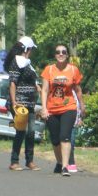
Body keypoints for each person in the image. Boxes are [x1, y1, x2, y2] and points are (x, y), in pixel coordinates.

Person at [40, 43, 85, 177]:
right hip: (52, 109)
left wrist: (82, 105)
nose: (60, 54)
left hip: (68, 107)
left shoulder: (73, 70)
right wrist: (43, 108)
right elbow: (45, 90)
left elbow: (77, 89)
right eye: (58, 52)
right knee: (55, 139)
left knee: (64, 136)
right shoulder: (48, 70)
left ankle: (65, 166)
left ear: (67, 55)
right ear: (55, 55)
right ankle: (59, 162)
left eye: (63, 52)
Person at [5, 36, 42, 171]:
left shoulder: (28, 63)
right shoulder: (16, 62)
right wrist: (14, 101)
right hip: (20, 103)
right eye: (31, 49)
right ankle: (14, 161)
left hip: (30, 103)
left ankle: (29, 160)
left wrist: (36, 86)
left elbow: (31, 79)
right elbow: (13, 83)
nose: (31, 51)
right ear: (26, 49)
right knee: (21, 132)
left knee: (31, 132)